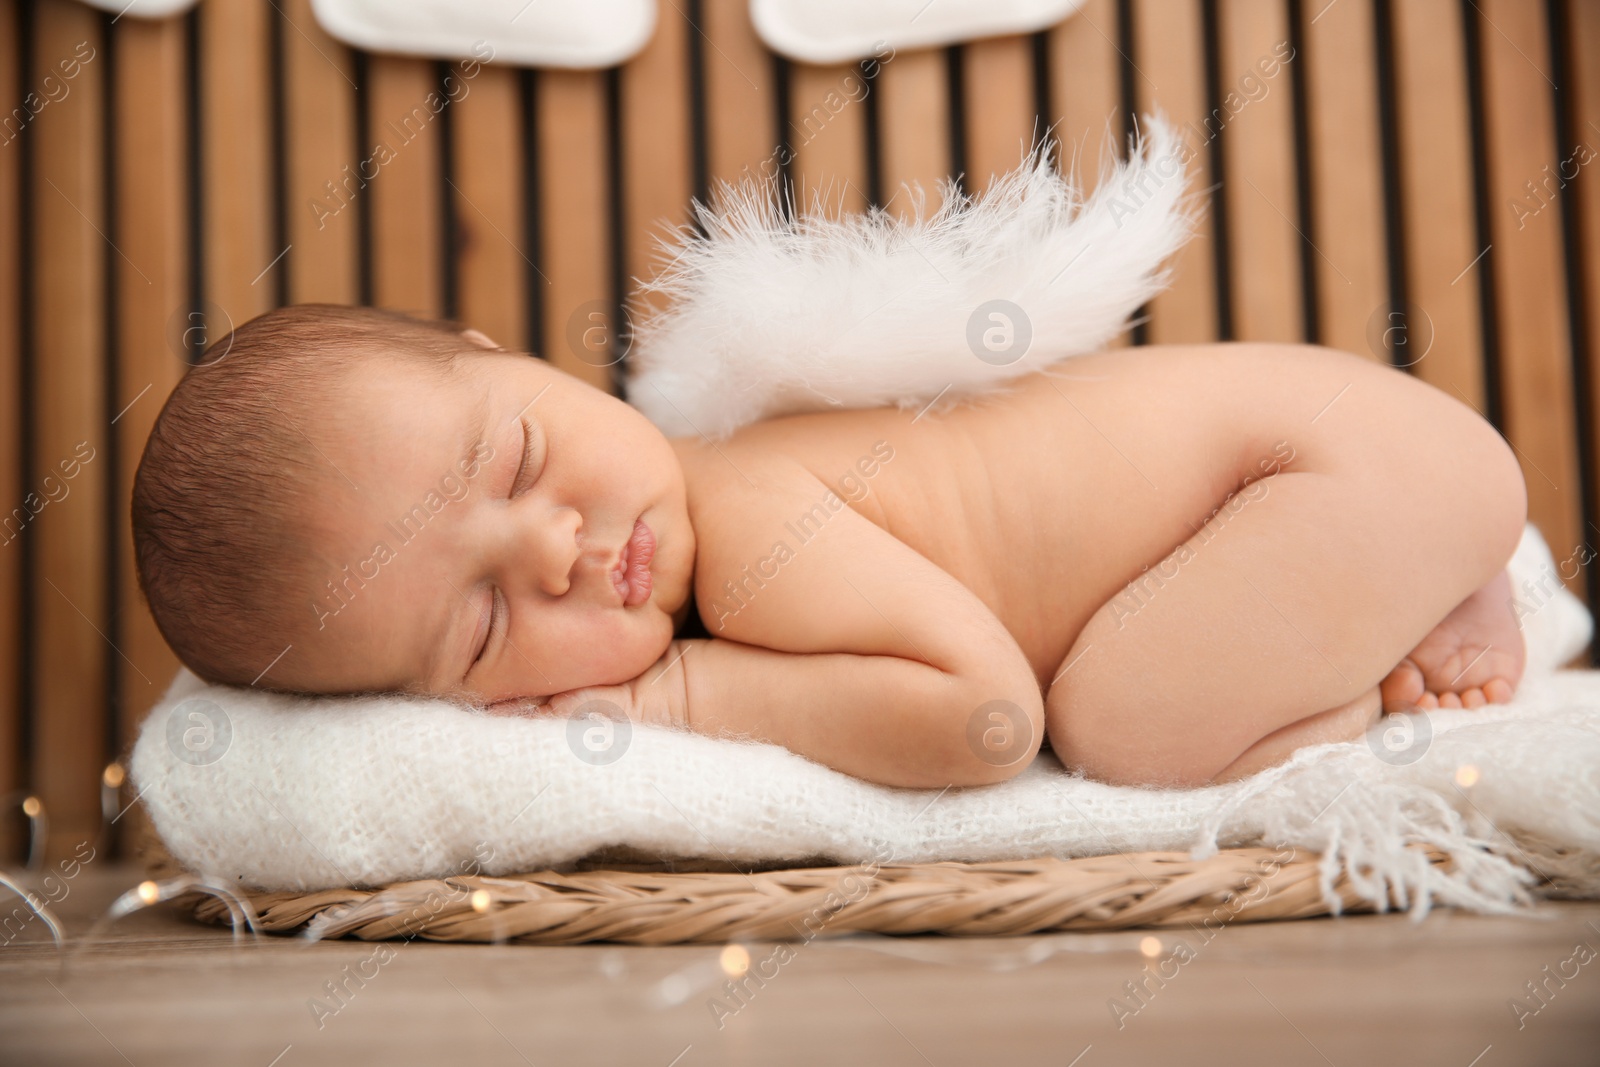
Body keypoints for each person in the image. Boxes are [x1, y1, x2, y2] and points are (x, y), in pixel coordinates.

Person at [131, 304, 1528, 790]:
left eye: (516, 463)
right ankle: (1416, 588)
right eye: (486, 626)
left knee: (1120, 726)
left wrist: (674, 698)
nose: (555, 550)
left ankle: (1393, 636)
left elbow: (984, 720)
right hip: (1362, 462)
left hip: (1324, 468)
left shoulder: (748, 528)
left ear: (515, 364)